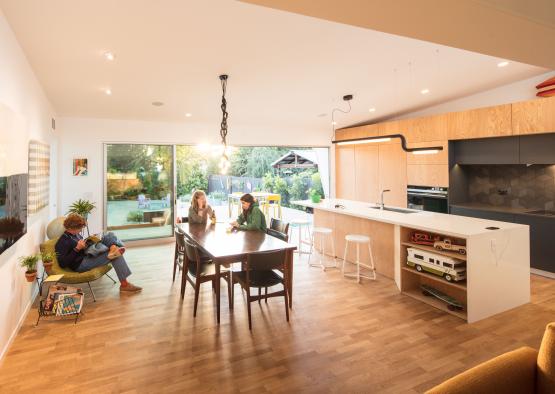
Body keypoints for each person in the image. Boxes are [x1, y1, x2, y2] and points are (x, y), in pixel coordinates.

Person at [55, 214, 142, 292]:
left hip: (87, 253)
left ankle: (113, 248)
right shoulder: (63, 241)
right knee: (116, 255)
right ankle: (124, 285)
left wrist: (91, 240)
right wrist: (77, 249)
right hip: (81, 264)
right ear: (70, 228)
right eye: (80, 228)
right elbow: (63, 263)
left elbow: (81, 246)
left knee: (110, 235)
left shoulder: (75, 234)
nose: (81, 230)